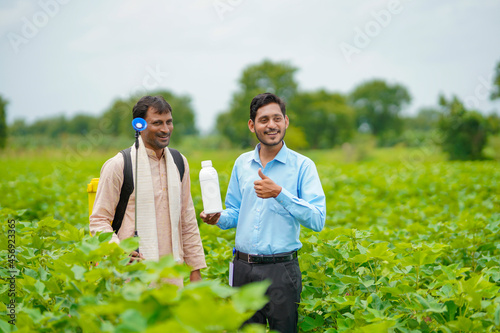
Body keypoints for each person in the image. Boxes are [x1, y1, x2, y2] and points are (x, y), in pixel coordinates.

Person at [200, 92, 326, 332]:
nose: (271, 125)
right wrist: (218, 217)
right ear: (252, 125)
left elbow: (317, 219)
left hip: (281, 270)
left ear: (286, 121)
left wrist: (279, 193)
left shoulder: (303, 166)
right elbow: (235, 212)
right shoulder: (242, 163)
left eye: (277, 118)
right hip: (243, 268)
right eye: (264, 119)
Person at [90, 95, 206, 287]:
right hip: (130, 274)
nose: (165, 129)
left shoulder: (179, 162)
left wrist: (195, 271)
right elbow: (98, 220)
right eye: (157, 123)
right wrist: (118, 251)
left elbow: (187, 220)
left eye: (169, 122)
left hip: (172, 274)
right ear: (139, 126)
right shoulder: (119, 165)